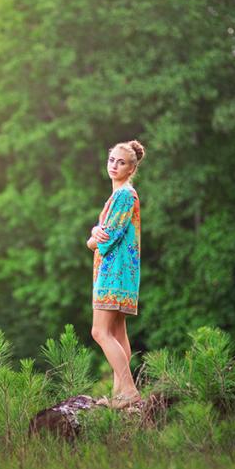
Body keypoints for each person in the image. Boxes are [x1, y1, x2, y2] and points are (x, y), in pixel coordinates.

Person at [86, 140, 145, 409]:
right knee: (117, 333)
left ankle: (130, 390)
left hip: (115, 270)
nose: (115, 165)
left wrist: (92, 239)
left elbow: (108, 238)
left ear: (131, 168)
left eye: (121, 162)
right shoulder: (118, 195)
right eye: (112, 160)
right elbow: (106, 230)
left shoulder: (124, 195)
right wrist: (97, 232)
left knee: (99, 331)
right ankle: (119, 394)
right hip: (118, 270)